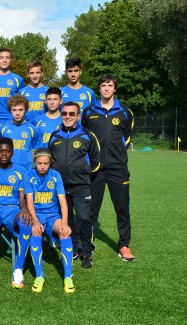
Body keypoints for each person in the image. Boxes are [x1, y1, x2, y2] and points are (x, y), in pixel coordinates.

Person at [81, 74, 135, 262]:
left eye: (109, 85)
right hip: (95, 169)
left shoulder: (125, 112)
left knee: (122, 208)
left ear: (114, 88)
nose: (106, 88)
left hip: (118, 169)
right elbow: (84, 137)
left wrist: (117, 152)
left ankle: (124, 246)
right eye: (103, 85)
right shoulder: (88, 112)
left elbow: (126, 137)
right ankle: (86, 245)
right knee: (91, 209)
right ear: (99, 88)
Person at [49, 102, 100, 268]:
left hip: (81, 186)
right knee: (68, 220)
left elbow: (96, 161)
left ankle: (87, 251)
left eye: (72, 114)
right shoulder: (55, 136)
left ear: (78, 116)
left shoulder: (87, 135)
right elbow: (49, 160)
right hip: (61, 187)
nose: (68, 117)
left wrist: (83, 173)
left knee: (84, 218)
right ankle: (73, 249)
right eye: (65, 113)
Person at [0, 137, 31, 289]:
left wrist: (25, 210)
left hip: (12, 209)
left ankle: (18, 270)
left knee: (26, 223)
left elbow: (22, 199)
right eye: (1, 151)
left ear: (12, 153)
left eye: (8, 151)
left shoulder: (20, 171)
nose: (4, 154)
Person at [24, 149, 74, 293]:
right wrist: (35, 221)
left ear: (50, 162)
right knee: (35, 233)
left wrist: (64, 223)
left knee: (65, 233)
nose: (42, 166)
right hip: (37, 216)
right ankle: (39, 276)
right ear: (35, 162)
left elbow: (63, 201)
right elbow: (29, 202)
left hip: (52, 216)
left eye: (46, 163)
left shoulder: (56, 176)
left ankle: (68, 277)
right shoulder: (29, 176)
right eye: (39, 163)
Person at [0, 94, 41, 169]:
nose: (17, 113)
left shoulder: (33, 129)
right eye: (14, 110)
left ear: (26, 110)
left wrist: (33, 168)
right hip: (8, 169)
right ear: (10, 111)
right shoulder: (3, 129)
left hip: (26, 170)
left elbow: (36, 152)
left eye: (20, 110)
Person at [0, 48, 24, 124]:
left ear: (11, 60)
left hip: (11, 121)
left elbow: (22, 103)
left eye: (7, 58)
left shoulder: (18, 79)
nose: (4, 60)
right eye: (1, 58)